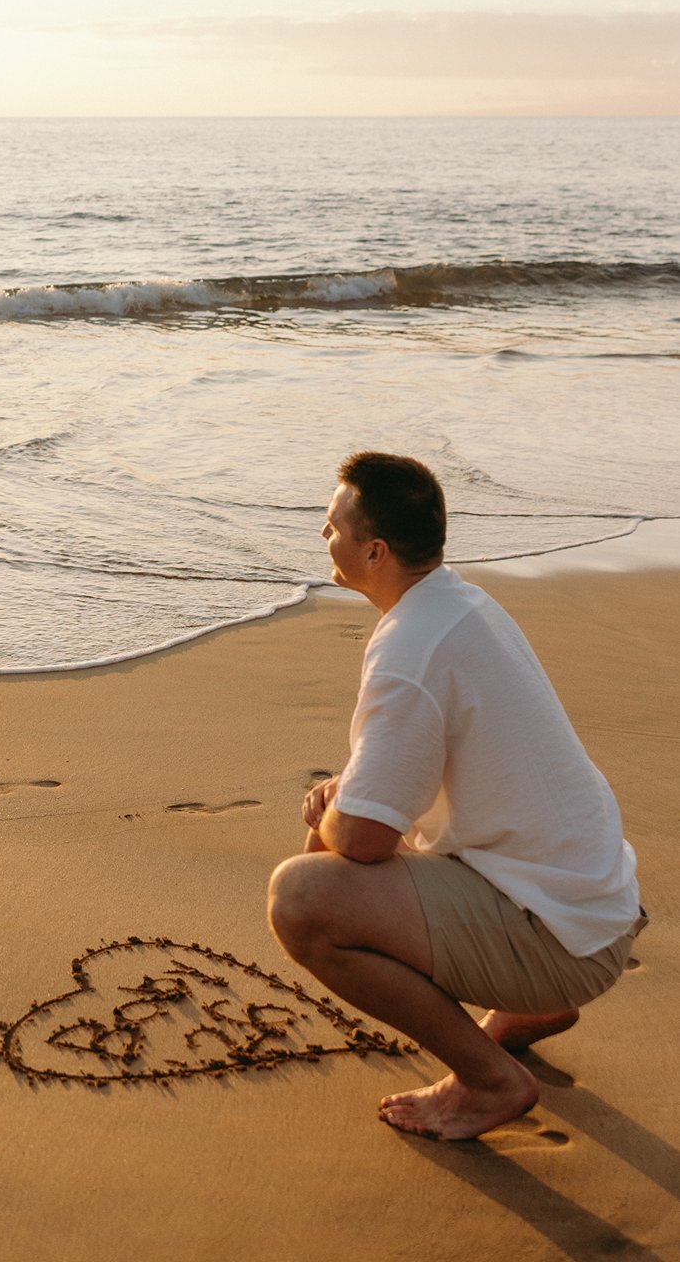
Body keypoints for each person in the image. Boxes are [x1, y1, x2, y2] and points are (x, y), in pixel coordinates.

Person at [267, 452, 643, 1141]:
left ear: (373, 551)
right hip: (592, 906)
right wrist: (354, 797)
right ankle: (522, 1014)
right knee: (342, 833)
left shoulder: (409, 650)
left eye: (332, 528)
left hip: (564, 939)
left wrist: (334, 817)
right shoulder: (459, 603)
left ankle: (489, 1079)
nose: (324, 536)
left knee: (303, 897)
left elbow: (366, 843)